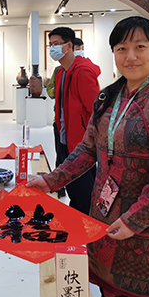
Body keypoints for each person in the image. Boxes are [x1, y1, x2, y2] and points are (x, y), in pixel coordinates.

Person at [28, 16, 149, 297]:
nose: (130, 56)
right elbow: (87, 149)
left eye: (140, 46)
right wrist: (51, 180)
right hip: (109, 223)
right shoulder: (108, 98)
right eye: (121, 48)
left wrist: (134, 220)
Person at [48, 27, 101, 214]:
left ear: (69, 46)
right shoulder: (61, 72)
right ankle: (76, 219)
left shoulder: (82, 71)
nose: (52, 48)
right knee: (72, 187)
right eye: (50, 45)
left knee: (84, 190)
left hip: (80, 142)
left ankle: (89, 225)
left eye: (56, 44)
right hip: (64, 138)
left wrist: (91, 141)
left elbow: (96, 110)